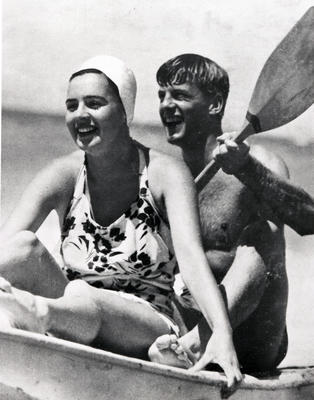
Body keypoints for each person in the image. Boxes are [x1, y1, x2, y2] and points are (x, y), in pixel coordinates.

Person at [0, 55, 242, 389]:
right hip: (69, 303)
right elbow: (9, 250)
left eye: (95, 103)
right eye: (72, 105)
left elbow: (192, 259)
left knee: (87, 297)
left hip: (146, 323)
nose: (80, 115)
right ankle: (30, 311)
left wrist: (221, 332)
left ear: (124, 112)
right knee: (21, 247)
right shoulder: (64, 173)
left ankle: (31, 311)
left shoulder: (165, 173)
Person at [148, 53, 294, 373]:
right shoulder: (162, 178)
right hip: (183, 323)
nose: (165, 105)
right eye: (162, 96)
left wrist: (247, 170)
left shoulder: (261, 161)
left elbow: (309, 219)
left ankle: (195, 345)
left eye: (180, 95)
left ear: (214, 105)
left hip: (253, 338)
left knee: (264, 234)